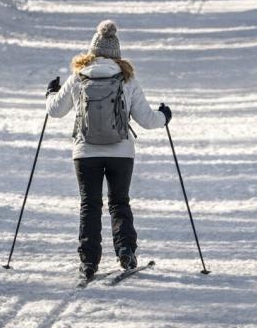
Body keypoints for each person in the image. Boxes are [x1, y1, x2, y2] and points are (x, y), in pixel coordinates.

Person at [45, 20, 172, 281]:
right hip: (121, 153)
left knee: (89, 205)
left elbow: (55, 111)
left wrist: (50, 93)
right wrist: (165, 116)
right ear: (117, 53)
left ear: (91, 51)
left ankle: (89, 262)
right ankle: (126, 251)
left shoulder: (78, 78)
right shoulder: (127, 80)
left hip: (85, 152)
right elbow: (148, 120)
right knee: (119, 202)